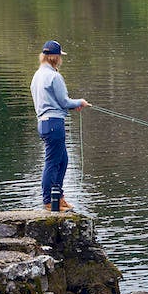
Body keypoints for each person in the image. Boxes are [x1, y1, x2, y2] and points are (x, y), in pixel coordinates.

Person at [31, 40, 88, 212]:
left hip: (44, 123)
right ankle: (49, 200)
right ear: (55, 58)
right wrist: (80, 102)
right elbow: (64, 101)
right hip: (55, 124)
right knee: (53, 162)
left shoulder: (37, 76)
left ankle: (59, 197)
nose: (61, 60)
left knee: (62, 160)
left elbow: (52, 102)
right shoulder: (54, 76)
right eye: (60, 57)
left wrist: (70, 105)